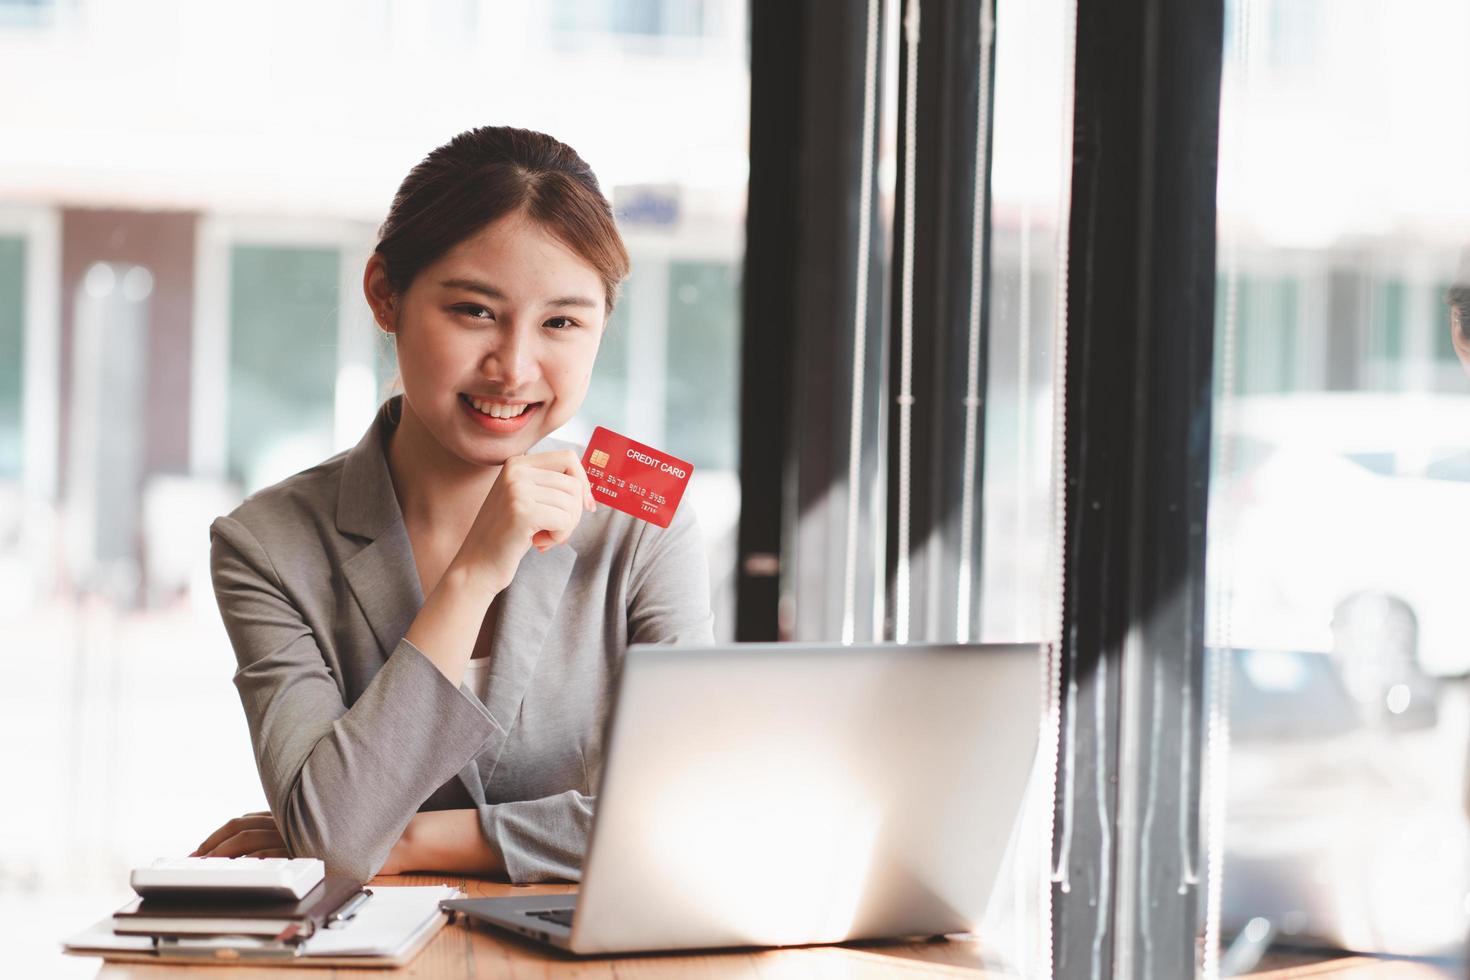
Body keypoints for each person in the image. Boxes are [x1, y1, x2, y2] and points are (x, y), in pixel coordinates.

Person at [189, 126, 714, 884]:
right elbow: (337, 839)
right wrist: (474, 572)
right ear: (385, 295)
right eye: (474, 311)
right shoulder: (267, 544)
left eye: (562, 322)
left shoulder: (644, 525)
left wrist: (404, 840)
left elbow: (685, 810)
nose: (514, 367)